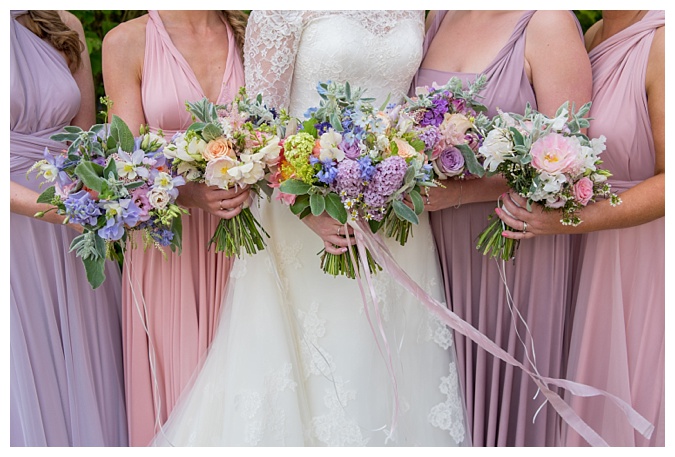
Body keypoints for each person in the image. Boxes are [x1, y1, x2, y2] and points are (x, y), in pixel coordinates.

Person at [151, 10, 470, 446]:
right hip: (303, 212)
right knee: (321, 371)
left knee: (387, 369)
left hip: (395, 216)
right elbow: (259, 125)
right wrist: (307, 210)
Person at [413, 11, 592, 446]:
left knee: (509, 404)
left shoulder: (548, 21)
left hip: (513, 249)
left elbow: (568, 157)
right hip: (435, 252)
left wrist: (459, 193)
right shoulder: (439, 15)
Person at [496, 10, 665, 446]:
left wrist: (565, 221)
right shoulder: (592, 33)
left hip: (638, 260)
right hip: (581, 257)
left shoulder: (663, 42)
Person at [101, 10, 249, 446]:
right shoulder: (126, 41)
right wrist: (190, 193)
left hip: (245, 240)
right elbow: (123, 162)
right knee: (179, 389)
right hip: (168, 243)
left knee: (244, 383)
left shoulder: (246, 31)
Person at [10, 10, 127, 446]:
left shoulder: (63, 22)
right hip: (20, 228)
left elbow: (85, 138)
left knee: (86, 361)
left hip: (74, 221)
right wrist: (58, 209)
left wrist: (94, 193)